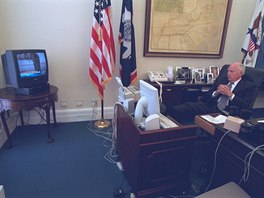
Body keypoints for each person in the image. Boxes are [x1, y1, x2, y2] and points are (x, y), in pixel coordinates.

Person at [164, 62, 256, 123]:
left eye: (231, 72)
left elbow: (246, 105)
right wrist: (217, 92)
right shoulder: (223, 80)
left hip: (228, 113)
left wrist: (231, 95)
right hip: (211, 106)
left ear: (240, 73)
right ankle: (165, 117)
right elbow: (206, 96)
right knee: (183, 107)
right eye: (228, 71)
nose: (228, 73)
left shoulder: (248, 86)